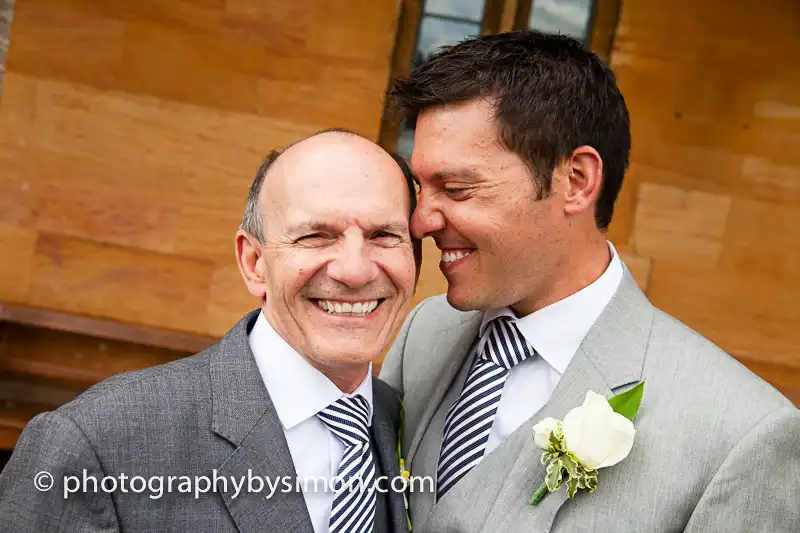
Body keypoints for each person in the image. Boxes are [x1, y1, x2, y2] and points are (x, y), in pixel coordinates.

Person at [380, 30, 799, 533]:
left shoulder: (741, 434)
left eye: (457, 188)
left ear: (576, 180)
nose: (420, 221)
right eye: (419, 187)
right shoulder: (425, 331)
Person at [0, 130, 419, 533]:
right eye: (315, 236)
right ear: (254, 262)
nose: (355, 271)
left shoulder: (411, 422)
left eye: (384, 235)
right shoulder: (96, 443)